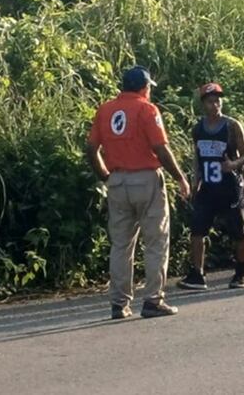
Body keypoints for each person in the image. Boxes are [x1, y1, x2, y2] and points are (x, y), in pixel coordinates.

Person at [86, 66, 191, 320]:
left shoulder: (105, 110)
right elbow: (161, 148)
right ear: (144, 87)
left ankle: (119, 304)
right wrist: (180, 177)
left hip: (117, 181)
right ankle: (153, 300)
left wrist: (105, 175)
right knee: (155, 241)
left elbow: (91, 149)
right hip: (145, 179)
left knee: (121, 244)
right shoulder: (147, 109)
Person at [177, 83, 244, 291]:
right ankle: (197, 274)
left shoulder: (231, 126)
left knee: (238, 229)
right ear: (203, 103)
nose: (215, 104)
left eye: (218, 100)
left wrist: (234, 165)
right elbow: (197, 157)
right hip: (208, 187)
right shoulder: (198, 128)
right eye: (211, 100)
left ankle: (242, 270)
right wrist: (195, 181)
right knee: (197, 230)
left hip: (229, 186)